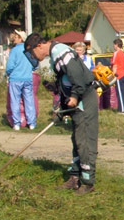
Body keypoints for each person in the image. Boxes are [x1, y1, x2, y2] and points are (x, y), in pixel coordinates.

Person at [25, 32, 98, 195]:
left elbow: (77, 77)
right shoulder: (55, 55)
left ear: (39, 46)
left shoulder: (60, 52)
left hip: (84, 99)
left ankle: (88, 182)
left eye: (32, 52)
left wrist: (74, 96)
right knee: (77, 140)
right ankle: (75, 178)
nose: (33, 57)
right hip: (76, 101)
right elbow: (67, 81)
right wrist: (62, 108)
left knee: (85, 140)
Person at [6, 30, 36, 130]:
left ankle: (17, 123)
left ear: (20, 38)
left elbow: (10, 66)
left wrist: (9, 73)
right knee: (29, 100)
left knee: (15, 101)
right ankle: (31, 123)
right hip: (27, 78)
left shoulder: (14, 50)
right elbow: (35, 65)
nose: (14, 38)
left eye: (16, 36)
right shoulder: (29, 49)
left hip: (15, 78)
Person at [111, 38, 124, 114]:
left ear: (117, 45)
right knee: (123, 93)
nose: (113, 46)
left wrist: (113, 76)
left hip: (119, 75)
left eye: (114, 44)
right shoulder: (123, 53)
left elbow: (115, 65)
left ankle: (122, 110)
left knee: (120, 93)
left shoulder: (116, 53)